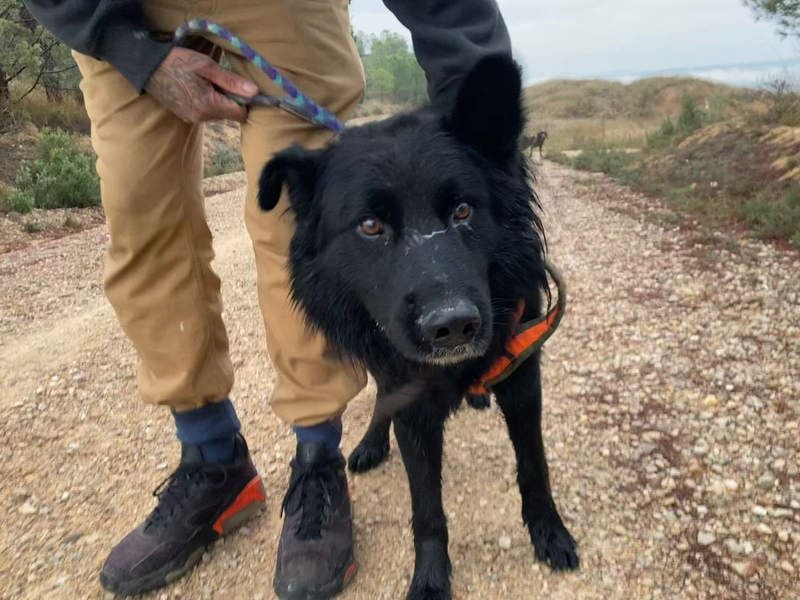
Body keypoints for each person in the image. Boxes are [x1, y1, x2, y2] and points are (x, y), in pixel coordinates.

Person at [23, 0, 512, 597]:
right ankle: (213, 460)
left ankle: (318, 460)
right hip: (114, 12)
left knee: (298, 238)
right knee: (141, 232)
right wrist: (126, 48)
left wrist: (478, 118)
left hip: (286, 10)